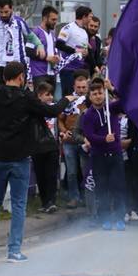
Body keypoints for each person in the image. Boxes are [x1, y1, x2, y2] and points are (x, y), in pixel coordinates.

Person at [0, 61, 74, 262]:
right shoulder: (26, 97)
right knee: (18, 204)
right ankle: (14, 250)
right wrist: (66, 99)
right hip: (18, 156)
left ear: (5, 77)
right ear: (21, 77)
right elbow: (51, 111)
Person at [79, 78, 127, 231]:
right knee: (102, 188)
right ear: (90, 96)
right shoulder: (88, 115)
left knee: (118, 187)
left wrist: (112, 88)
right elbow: (89, 135)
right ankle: (105, 218)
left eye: (100, 93)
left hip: (115, 154)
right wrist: (103, 139)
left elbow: (125, 100)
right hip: (99, 156)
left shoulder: (112, 108)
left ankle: (120, 218)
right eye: (94, 94)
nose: (98, 96)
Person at [0, 0, 46, 85]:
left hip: (19, 64)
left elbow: (31, 37)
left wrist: (40, 45)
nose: (3, 15)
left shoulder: (19, 22)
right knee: (3, 92)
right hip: (1, 66)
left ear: (11, 9)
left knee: (20, 92)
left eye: (6, 12)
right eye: (1, 12)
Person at [57, 70, 91, 209]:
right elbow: (60, 119)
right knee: (71, 172)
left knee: (85, 171)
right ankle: (74, 198)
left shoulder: (91, 100)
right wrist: (64, 131)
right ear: (74, 86)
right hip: (69, 141)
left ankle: (86, 197)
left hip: (84, 140)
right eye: (79, 87)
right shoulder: (68, 100)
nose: (81, 90)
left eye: (84, 87)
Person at [30, 81, 61, 213]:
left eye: (51, 94)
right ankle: (44, 202)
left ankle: (51, 202)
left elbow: (59, 124)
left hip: (52, 146)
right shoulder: (34, 108)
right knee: (40, 175)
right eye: (47, 95)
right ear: (39, 95)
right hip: (38, 147)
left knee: (51, 175)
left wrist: (62, 133)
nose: (51, 97)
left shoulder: (55, 108)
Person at [55, 6, 93, 93]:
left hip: (80, 69)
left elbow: (83, 48)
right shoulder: (68, 28)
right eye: (90, 17)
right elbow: (59, 44)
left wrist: (86, 53)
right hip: (68, 69)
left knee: (79, 97)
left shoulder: (84, 31)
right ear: (84, 17)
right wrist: (75, 51)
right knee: (68, 96)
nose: (91, 19)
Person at [30, 5, 60, 91]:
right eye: (53, 19)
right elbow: (28, 51)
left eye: (56, 20)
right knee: (40, 98)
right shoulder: (35, 32)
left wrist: (56, 56)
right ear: (45, 18)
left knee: (51, 99)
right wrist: (46, 57)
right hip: (39, 74)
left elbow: (54, 50)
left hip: (52, 74)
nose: (55, 22)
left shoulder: (52, 34)